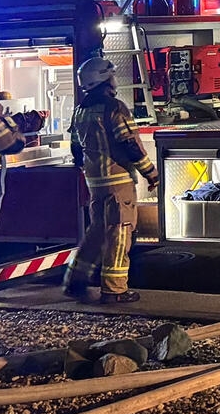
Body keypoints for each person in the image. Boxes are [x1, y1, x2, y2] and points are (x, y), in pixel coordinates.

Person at [62, 57, 160, 304]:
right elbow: (130, 144)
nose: (115, 80)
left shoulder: (80, 110)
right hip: (118, 184)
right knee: (119, 233)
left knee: (96, 232)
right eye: (112, 76)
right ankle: (115, 290)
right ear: (105, 81)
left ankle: (75, 280)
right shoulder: (114, 108)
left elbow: (76, 149)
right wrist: (151, 173)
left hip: (95, 183)